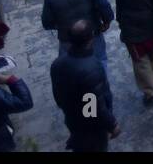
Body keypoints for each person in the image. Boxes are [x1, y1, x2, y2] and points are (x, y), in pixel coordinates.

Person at [50, 20, 120, 152]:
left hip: (72, 118)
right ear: (91, 38)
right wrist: (112, 124)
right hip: (92, 128)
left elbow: (58, 96)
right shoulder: (91, 68)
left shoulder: (57, 64)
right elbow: (94, 107)